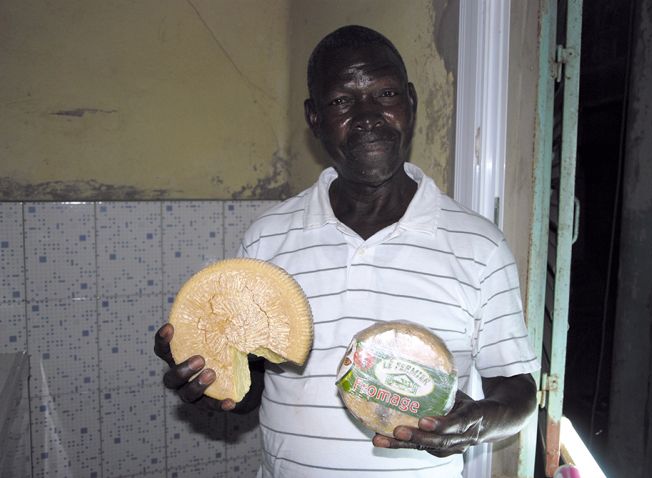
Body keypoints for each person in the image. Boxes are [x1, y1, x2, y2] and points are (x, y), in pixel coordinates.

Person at [155, 25, 538, 477]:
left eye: (386, 93)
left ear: (410, 102)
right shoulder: (267, 239)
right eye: (341, 101)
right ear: (314, 118)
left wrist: (474, 424)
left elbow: (517, 389)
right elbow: (251, 391)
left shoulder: (480, 246)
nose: (368, 116)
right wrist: (209, 375)